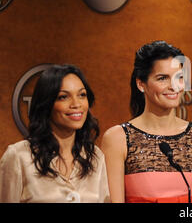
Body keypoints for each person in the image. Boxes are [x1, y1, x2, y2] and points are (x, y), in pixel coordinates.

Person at [102, 41, 192, 203]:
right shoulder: (118, 138)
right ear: (141, 84)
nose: (173, 86)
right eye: (162, 78)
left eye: (179, 77)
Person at [0, 64, 110, 203]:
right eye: (63, 97)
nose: (76, 104)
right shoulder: (18, 156)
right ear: (46, 104)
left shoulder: (95, 157)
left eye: (82, 95)